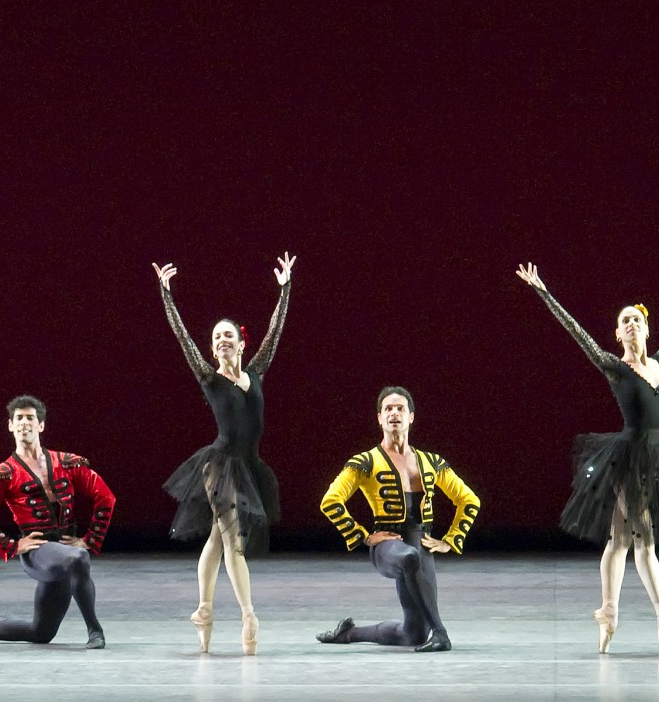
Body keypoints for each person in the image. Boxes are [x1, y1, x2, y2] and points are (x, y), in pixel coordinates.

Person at [515, 236, 659, 654]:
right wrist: (544, 292)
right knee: (639, 541)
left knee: (623, 541)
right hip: (627, 457)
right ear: (617, 334)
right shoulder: (613, 368)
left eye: (636, 318)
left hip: (656, 458)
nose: (632, 323)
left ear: (647, 328)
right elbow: (575, 332)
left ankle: (617, 614)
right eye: (624, 321)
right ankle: (654, 613)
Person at [153, 253, 294, 654]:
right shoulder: (208, 377)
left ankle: (205, 611)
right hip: (219, 464)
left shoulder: (257, 369)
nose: (221, 341)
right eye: (216, 338)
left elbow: (275, 331)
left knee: (216, 541)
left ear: (241, 341)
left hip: (250, 465)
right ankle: (249, 614)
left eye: (227, 335)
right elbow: (182, 337)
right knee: (233, 541)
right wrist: (167, 296)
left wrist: (284, 290)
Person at [0, 395, 116, 649]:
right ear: (10, 426)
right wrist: (12, 545)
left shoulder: (68, 463)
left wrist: (90, 539)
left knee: (41, 632)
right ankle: (95, 631)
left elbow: (105, 497)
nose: (24, 422)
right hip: (37, 552)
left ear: (41, 425)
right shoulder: (5, 472)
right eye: (19, 418)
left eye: (30, 418)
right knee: (78, 559)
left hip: (65, 551)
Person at [316, 387, 480, 653]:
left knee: (413, 635)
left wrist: (451, 540)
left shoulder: (431, 462)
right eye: (388, 409)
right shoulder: (365, 461)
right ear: (379, 418)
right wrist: (362, 536)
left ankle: (349, 633)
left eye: (400, 408)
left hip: (421, 542)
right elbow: (330, 500)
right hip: (388, 546)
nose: (394, 413)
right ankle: (441, 633)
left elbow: (469, 500)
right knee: (408, 558)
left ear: (411, 417)